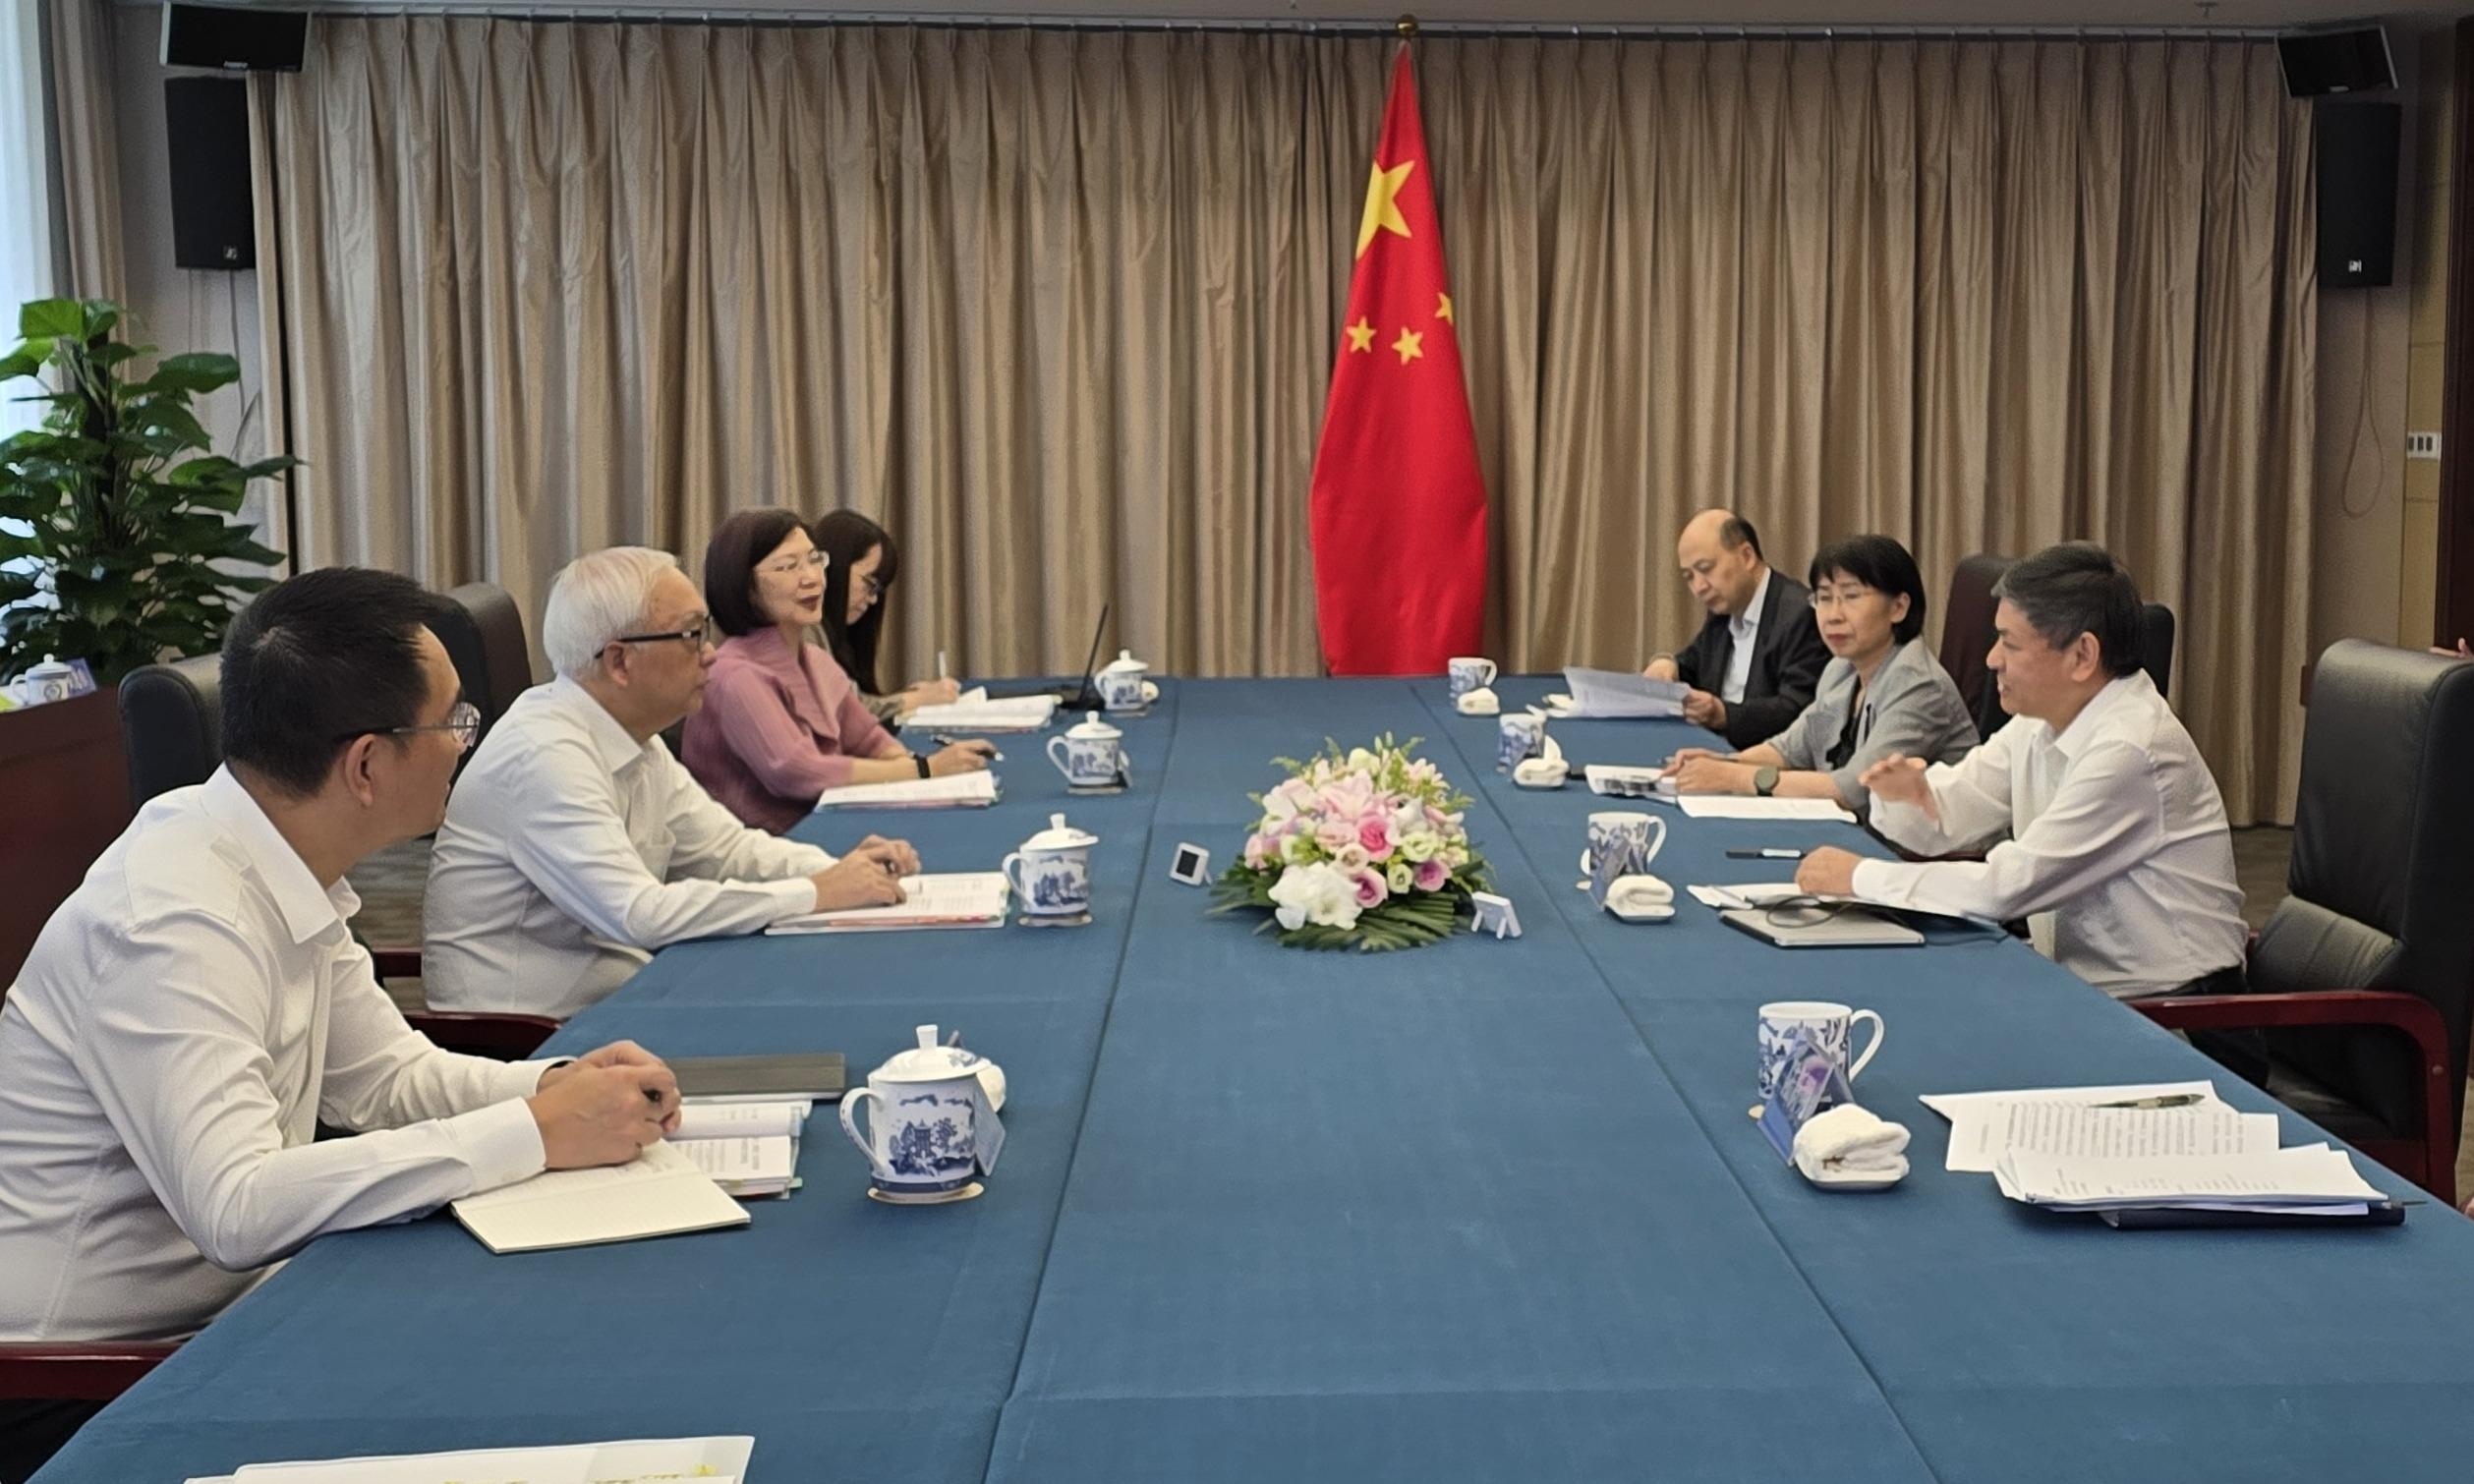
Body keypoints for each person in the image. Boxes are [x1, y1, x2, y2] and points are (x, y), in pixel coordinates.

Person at [0, 570, 681, 1481]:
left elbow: (386, 1079)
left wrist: (554, 1089)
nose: (464, 748)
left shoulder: (272, 853)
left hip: (243, 1314)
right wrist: (529, 1131)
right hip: (85, 1384)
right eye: (453, 723)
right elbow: (237, 1209)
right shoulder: (168, 918)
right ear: (366, 763)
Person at [421, 546, 921, 1019]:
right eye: (691, 635)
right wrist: (815, 892)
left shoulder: (633, 736)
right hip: (530, 1037)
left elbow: (727, 851)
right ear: (619, 661)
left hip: (615, 993)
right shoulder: (544, 755)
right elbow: (639, 914)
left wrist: (841, 869)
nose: (710, 655)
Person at [1796, 542, 2247, 1001]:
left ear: (2082, 655)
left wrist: (1859, 878)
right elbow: (1950, 816)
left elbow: (2004, 888)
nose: (1992, 659)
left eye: (2010, 643)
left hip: (2183, 1016)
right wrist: (1907, 796)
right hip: (2087, 991)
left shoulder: (2130, 749)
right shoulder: (2040, 720)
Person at [683, 509, 994, 833]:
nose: (812, 578)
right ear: (745, 586)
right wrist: (924, 769)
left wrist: (913, 767)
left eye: (815, 560)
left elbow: (869, 738)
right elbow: (797, 772)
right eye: (789, 566)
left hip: (822, 829)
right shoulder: (733, 676)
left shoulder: (816, 659)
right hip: (766, 852)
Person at [1665, 535, 1976, 819]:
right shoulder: (1841, 670)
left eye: (1851, 596)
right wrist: (1721, 763)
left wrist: (1735, 777)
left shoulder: (1920, 686)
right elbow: (1789, 749)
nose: (1833, 615)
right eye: (1824, 598)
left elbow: (1854, 790)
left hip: (1923, 860)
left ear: (1898, 607)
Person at [1640, 509, 1830, 749]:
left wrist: (1724, 714)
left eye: (1706, 568)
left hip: (1767, 761)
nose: (1698, 587)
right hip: (1712, 749)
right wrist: (1667, 664)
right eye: (1689, 576)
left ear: (1747, 556)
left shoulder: (1800, 614)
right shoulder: (1722, 613)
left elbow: (1797, 709)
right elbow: (1693, 663)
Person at [812, 509, 960, 724]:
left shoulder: (833, 634)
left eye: (877, 590)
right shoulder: (805, 630)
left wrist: (907, 698)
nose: (872, 600)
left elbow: (852, 700)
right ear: (834, 569)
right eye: (869, 584)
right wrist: (917, 698)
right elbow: (845, 711)